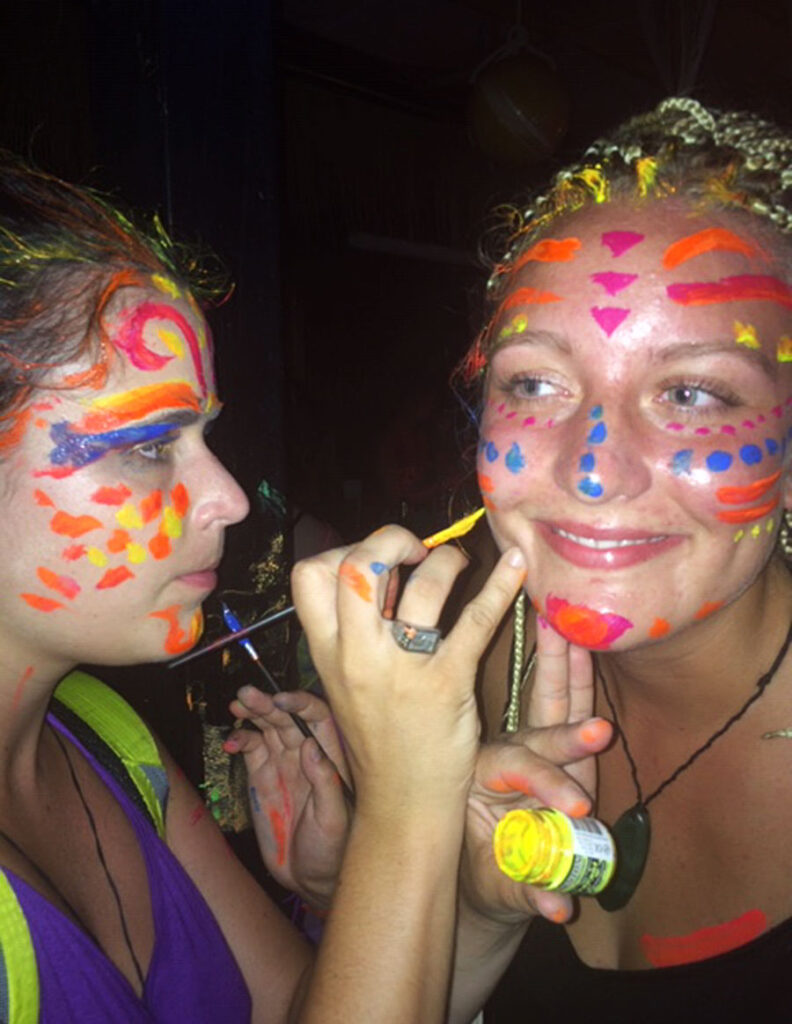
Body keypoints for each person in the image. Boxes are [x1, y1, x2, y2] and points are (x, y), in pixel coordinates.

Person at [246, 96, 792, 1021]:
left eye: (694, 391)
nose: (589, 469)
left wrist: (398, 819)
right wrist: (468, 903)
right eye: (535, 382)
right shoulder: (482, 677)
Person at [0, 152, 527, 1023]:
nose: (231, 499)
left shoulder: (109, 736)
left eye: (203, 435)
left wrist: (462, 901)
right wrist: (407, 806)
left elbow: (304, 1006)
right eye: (147, 446)